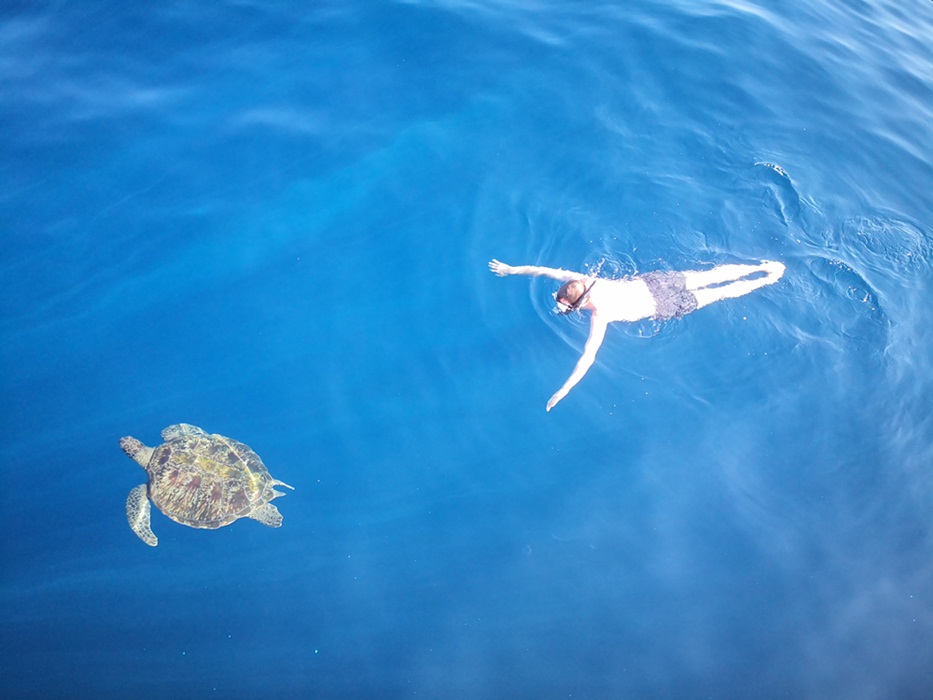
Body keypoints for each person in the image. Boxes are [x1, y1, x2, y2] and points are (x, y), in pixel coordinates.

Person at [488, 258, 785, 411]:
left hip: (664, 303)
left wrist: (564, 390)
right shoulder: (584, 280)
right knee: (710, 276)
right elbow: (545, 270)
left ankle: (769, 278)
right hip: (656, 283)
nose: (563, 306)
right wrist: (512, 270)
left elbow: (588, 357)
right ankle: (763, 267)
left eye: (565, 306)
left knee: (720, 293)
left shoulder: (600, 314)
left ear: (579, 302)